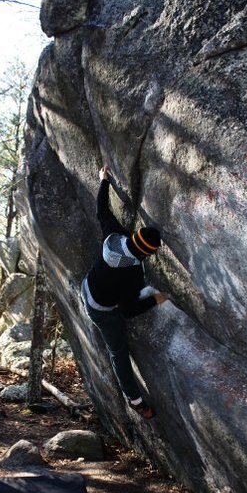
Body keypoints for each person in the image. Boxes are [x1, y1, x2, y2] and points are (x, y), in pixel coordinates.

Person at [81, 165, 168, 419]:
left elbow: (102, 211)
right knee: (118, 352)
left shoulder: (116, 237)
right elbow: (128, 310)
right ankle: (135, 399)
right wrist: (154, 299)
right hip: (102, 310)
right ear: (146, 254)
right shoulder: (130, 276)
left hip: (88, 286)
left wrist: (104, 181)